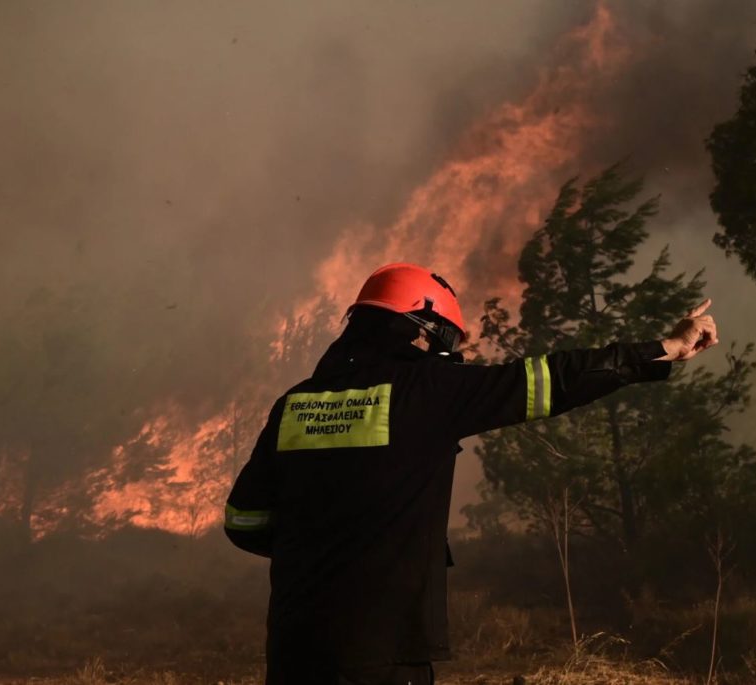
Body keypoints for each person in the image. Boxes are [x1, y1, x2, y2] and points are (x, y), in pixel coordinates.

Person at [225, 262, 718, 685]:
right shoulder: (430, 390)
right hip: (385, 651)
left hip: (293, 649)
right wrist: (665, 349)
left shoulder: (294, 404)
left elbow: (243, 520)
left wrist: (317, 544)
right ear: (422, 331)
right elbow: (556, 378)